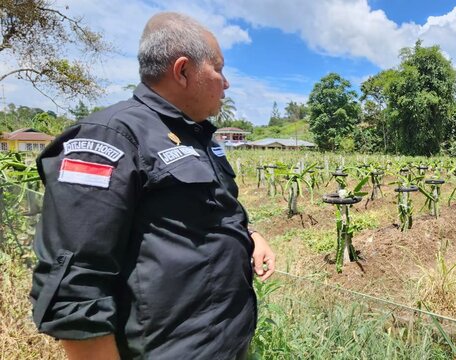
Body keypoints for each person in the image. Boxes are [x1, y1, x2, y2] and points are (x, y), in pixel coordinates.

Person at [29, 12, 275, 360]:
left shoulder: (197, 136)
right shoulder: (111, 137)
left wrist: (251, 234)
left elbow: (208, 210)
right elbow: (76, 286)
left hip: (224, 343)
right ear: (183, 71)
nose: (226, 82)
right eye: (218, 68)